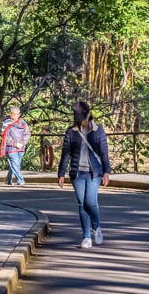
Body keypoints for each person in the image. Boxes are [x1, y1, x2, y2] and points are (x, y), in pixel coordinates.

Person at [57, 101, 112, 248]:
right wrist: (61, 173)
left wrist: (107, 172)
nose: (82, 121)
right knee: (82, 204)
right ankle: (86, 237)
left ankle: (96, 226)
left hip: (94, 172)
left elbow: (104, 152)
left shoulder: (98, 130)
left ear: (88, 115)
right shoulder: (71, 132)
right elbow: (65, 154)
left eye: (83, 118)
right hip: (77, 173)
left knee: (90, 202)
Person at [0, 106, 31, 186]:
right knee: (15, 163)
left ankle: (8, 179)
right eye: (14, 114)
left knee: (15, 164)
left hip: (21, 147)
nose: (15, 116)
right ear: (10, 114)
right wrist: (15, 143)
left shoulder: (23, 123)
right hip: (11, 147)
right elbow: (5, 136)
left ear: (19, 114)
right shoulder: (7, 123)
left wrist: (23, 143)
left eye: (17, 114)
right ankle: (20, 180)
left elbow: (27, 133)